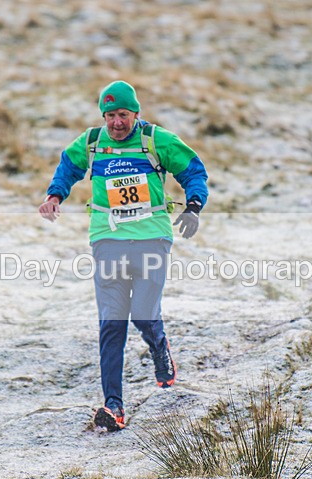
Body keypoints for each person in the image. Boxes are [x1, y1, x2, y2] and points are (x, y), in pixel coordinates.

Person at [39, 80, 209, 431]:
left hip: (152, 239)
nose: (117, 123)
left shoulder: (155, 140)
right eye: (111, 115)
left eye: (124, 115)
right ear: (104, 115)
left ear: (136, 113)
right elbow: (68, 168)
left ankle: (159, 348)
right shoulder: (90, 142)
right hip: (108, 239)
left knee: (144, 315)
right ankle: (113, 406)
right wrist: (55, 195)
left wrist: (193, 206)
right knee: (112, 322)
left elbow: (193, 170)